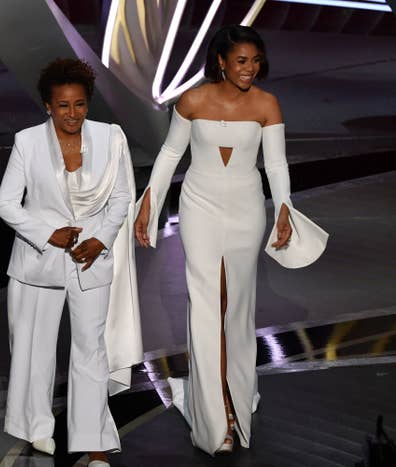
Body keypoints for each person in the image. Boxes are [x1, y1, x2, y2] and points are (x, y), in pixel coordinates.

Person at [134, 25, 327, 455]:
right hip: (199, 207)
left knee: (237, 306)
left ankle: (238, 395)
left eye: (256, 61)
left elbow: (276, 165)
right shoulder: (193, 100)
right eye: (241, 61)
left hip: (246, 210)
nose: (250, 69)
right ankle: (214, 415)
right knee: (206, 303)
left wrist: (283, 209)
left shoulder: (266, 104)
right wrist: (150, 201)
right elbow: (169, 154)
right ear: (221, 60)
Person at [0, 58, 142, 466]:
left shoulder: (111, 138)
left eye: (79, 104)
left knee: (90, 351)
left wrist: (99, 241)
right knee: (33, 350)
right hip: (37, 265)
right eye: (63, 106)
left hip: (90, 262)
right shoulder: (27, 142)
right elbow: (6, 203)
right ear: (47, 106)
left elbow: (120, 199)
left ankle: (94, 444)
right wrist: (47, 234)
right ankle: (36, 428)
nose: (72, 114)